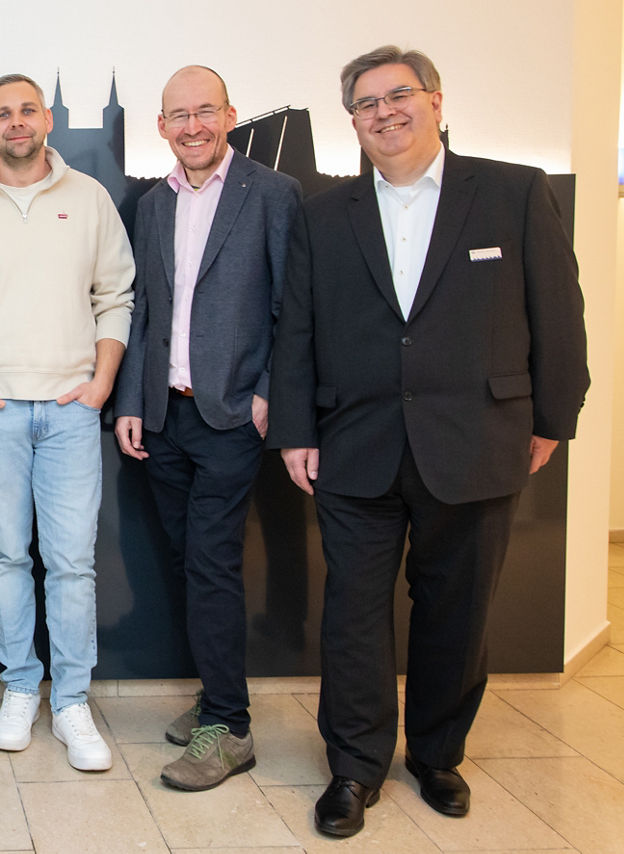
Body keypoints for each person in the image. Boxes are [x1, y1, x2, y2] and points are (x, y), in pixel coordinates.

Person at [268, 45, 589, 837]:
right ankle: (354, 766)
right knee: (353, 615)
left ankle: (439, 754)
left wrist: (553, 418)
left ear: (436, 101)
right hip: (354, 445)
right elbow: (297, 331)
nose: (383, 112)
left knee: (458, 609)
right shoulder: (322, 213)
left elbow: (559, 312)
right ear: (353, 121)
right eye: (366, 103)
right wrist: (296, 432)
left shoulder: (513, 191)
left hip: (479, 441)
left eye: (398, 95)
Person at [0, 73, 134, 772]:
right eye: (2, 114)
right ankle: (21, 687)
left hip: (72, 411)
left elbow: (117, 296)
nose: (16, 123)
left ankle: (71, 702)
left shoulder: (90, 199)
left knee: (72, 564)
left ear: (47, 120)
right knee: (7, 555)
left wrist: (101, 383)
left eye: (27, 110)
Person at [114, 65, 301, 791]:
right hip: (164, 417)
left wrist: (266, 396)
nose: (191, 126)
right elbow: (140, 313)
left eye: (204, 111)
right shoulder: (153, 206)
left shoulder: (273, 194)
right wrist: (131, 401)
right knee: (193, 562)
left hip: (231, 418)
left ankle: (231, 728)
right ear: (160, 127)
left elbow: (294, 307)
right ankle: (219, 699)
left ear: (228, 115)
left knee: (213, 565)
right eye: (177, 115)